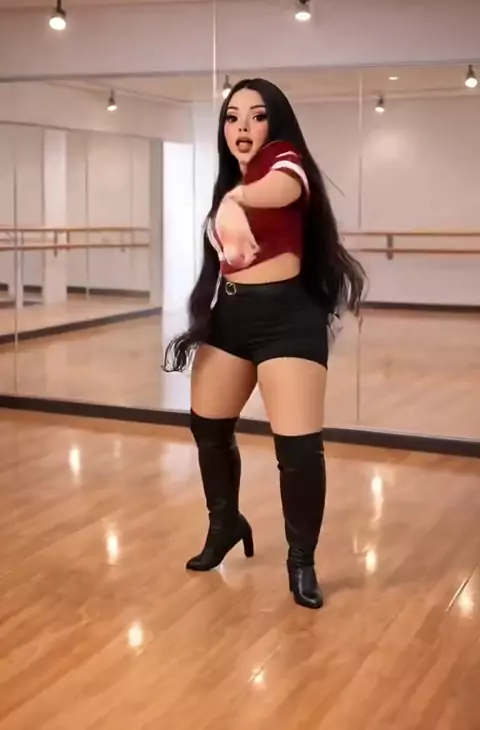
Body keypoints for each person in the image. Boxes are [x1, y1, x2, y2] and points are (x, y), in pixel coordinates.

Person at [163, 78, 365, 610]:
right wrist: (231, 197)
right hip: (232, 315)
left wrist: (238, 199)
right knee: (207, 426)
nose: (243, 127)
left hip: (288, 319)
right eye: (232, 117)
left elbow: (286, 186)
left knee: (297, 449)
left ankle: (301, 562)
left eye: (256, 116)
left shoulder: (281, 161)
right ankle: (225, 523)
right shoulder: (232, 180)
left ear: (274, 124)